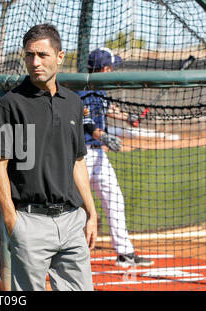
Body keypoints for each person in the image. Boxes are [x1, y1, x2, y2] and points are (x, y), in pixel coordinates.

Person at [0, 23, 97, 291]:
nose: (34, 62)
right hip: (29, 221)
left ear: (59, 57)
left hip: (72, 221)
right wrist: (11, 220)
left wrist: (91, 213)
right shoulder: (8, 105)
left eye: (42, 55)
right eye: (29, 55)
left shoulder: (73, 102)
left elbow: (78, 161)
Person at [77, 47, 154, 268]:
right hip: (79, 158)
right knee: (74, 208)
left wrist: (127, 117)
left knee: (115, 199)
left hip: (98, 156)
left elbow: (105, 107)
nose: (113, 70)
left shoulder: (100, 88)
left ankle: (125, 253)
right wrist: (106, 137)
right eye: (111, 66)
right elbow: (87, 122)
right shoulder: (80, 90)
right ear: (104, 68)